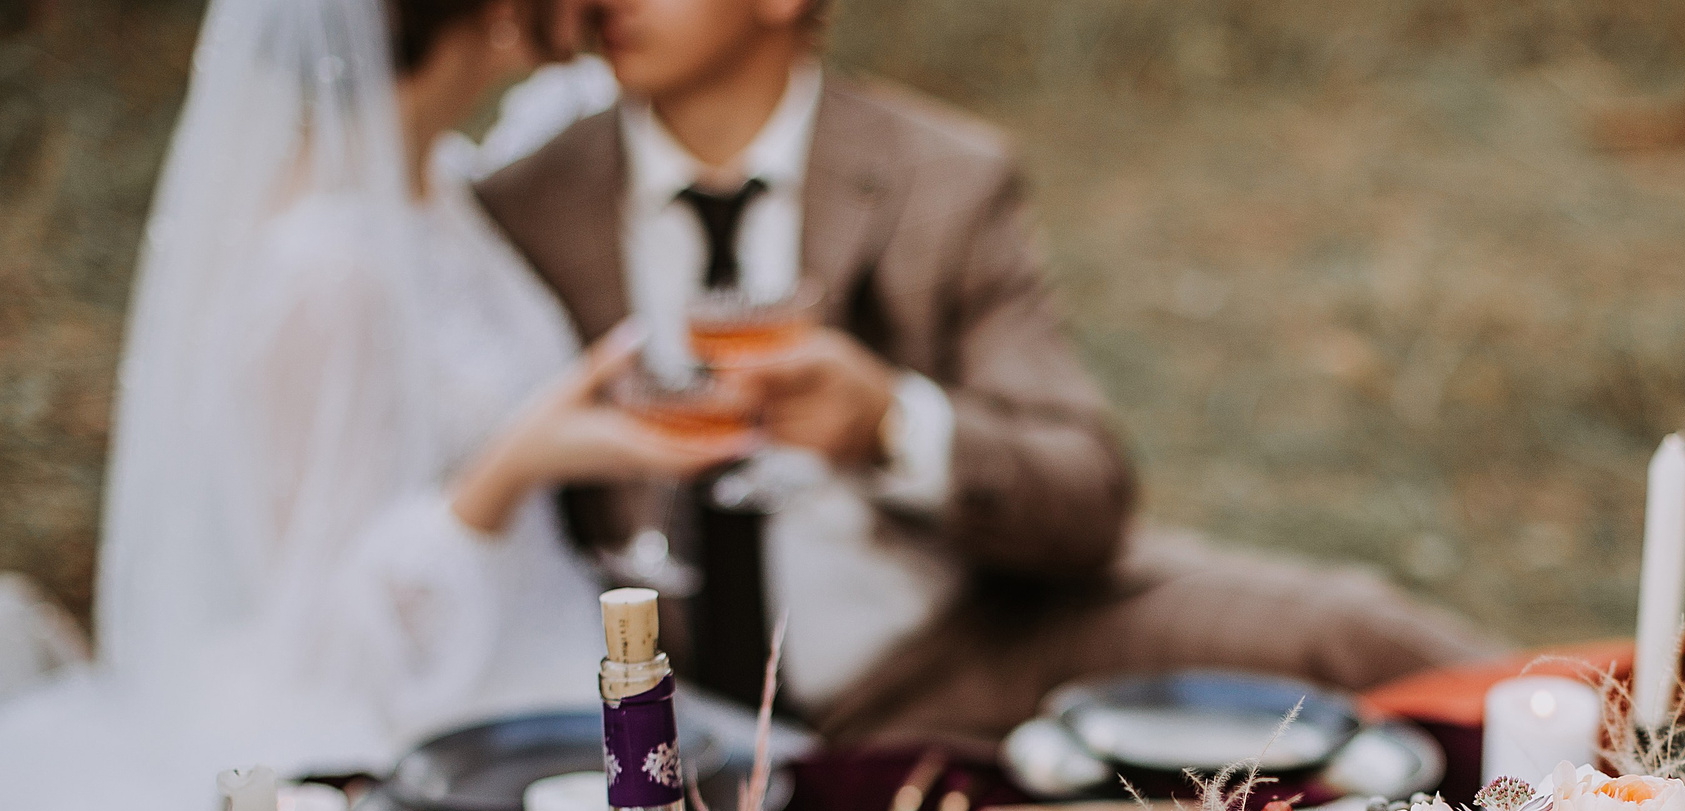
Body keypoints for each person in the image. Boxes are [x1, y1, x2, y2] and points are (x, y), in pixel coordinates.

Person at [0, 0, 749, 811]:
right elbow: (327, 608)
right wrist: (518, 462)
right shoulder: (323, 263)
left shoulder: (432, 181)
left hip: (532, 629)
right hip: (408, 691)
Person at [474, 0, 1494, 745]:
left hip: (956, 647)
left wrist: (887, 424)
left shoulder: (942, 179)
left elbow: (1085, 500)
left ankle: (1614, 801)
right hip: (665, 708)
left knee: (1350, 631)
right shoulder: (528, 205)